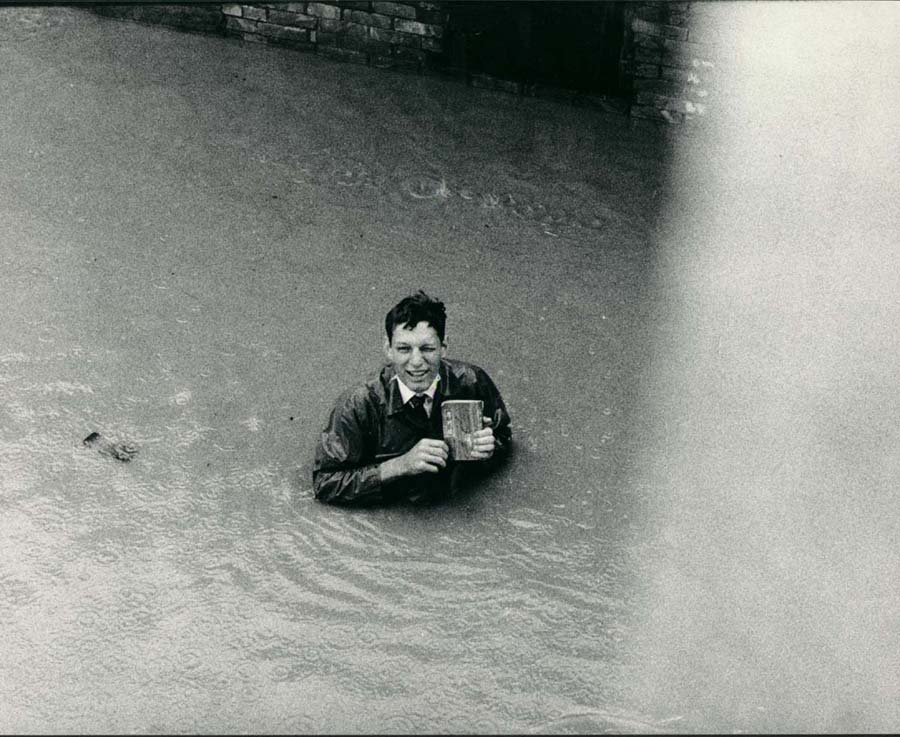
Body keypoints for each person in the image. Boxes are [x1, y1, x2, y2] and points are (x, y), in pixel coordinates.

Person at [313, 291, 512, 506]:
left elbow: (504, 436)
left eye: (427, 349)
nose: (416, 362)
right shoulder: (359, 404)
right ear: (388, 349)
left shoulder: (471, 382)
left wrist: (491, 448)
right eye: (404, 349)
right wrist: (399, 466)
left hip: (460, 506)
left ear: (444, 347)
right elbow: (325, 483)